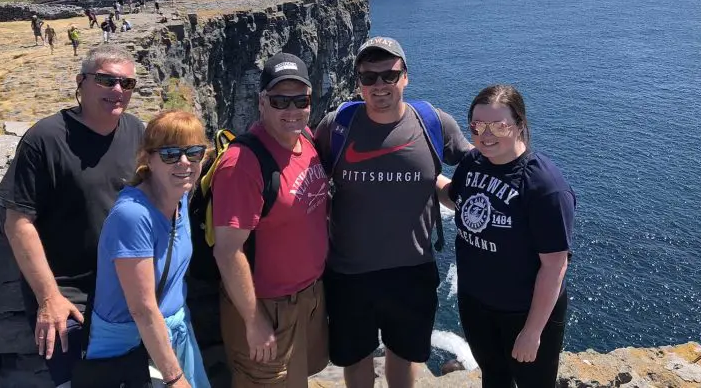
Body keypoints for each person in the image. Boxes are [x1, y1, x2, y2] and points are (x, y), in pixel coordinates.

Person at [313, 37, 471, 388]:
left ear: (405, 77)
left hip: (411, 270)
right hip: (349, 271)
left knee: (405, 354)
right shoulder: (337, 125)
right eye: (369, 78)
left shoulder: (432, 121)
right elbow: (303, 172)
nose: (379, 85)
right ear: (358, 83)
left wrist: (523, 175)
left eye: (389, 75)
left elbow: (479, 161)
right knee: (356, 358)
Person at [0, 45, 145, 388]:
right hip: (68, 298)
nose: (118, 90)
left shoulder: (137, 133)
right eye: (106, 80)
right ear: (81, 83)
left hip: (125, 292)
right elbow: (18, 222)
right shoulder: (45, 139)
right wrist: (49, 298)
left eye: (127, 83)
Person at [436, 84, 575, 388]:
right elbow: (454, 197)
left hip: (523, 313)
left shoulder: (544, 185)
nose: (486, 134)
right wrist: (421, 171)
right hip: (476, 305)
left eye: (499, 125)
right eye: (477, 125)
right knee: (494, 379)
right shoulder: (473, 163)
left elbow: (555, 266)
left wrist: (532, 332)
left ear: (519, 125)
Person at [213, 53, 330, 387]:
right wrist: (253, 321)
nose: (291, 111)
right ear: (262, 101)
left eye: (300, 100)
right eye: (280, 100)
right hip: (267, 305)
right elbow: (227, 251)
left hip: (308, 297)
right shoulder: (242, 164)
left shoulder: (305, 139)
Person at [86, 110, 211, 388]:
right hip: (129, 346)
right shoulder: (133, 216)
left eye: (194, 152)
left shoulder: (179, 197)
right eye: (170, 154)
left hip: (175, 335)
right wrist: (175, 377)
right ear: (149, 159)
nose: (184, 163)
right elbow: (142, 309)